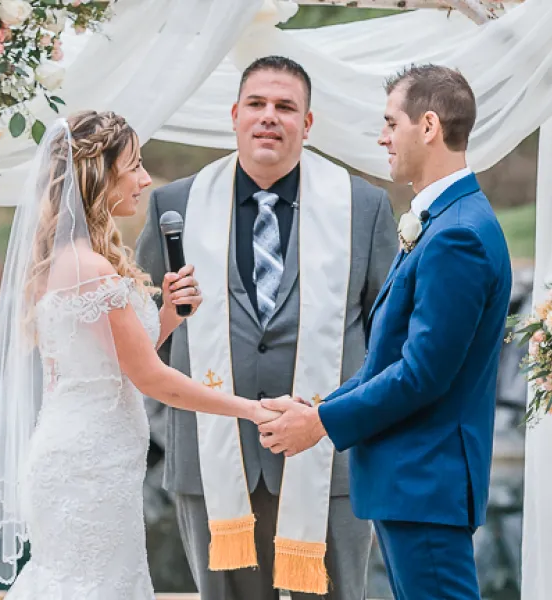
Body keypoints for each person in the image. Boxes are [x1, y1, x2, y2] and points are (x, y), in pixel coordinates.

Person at [0, 110, 279, 598]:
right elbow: (152, 380)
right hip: (90, 464)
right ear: (100, 173)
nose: (145, 179)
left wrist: (167, 316)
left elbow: (108, 362)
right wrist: (250, 409)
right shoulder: (93, 270)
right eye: (135, 166)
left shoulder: (67, 260)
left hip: (84, 454)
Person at [135, 55, 398, 599]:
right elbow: (142, 337)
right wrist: (172, 421)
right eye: (256, 104)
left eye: (285, 107)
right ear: (233, 114)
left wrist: (348, 421)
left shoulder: (363, 207)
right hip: (209, 459)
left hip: (330, 461)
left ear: (308, 124)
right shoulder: (174, 205)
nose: (268, 117)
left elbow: (387, 338)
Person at [258, 64, 513, 600]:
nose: (381, 137)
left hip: (425, 479)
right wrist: (316, 407)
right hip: (411, 483)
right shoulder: (445, 221)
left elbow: (422, 374)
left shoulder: (457, 236)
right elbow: (386, 359)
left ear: (428, 126)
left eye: (389, 122)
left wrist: (321, 423)